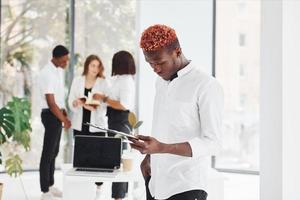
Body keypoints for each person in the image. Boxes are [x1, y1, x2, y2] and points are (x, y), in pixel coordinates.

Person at [129, 24, 224, 200]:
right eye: (150, 64)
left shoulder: (206, 85)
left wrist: (161, 148)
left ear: (177, 51)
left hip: (186, 185)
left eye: (160, 63)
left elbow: (214, 143)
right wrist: (150, 156)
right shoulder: (161, 82)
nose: (156, 69)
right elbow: (166, 127)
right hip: (155, 183)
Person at [94, 50, 136, 200]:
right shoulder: (120, 79)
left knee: (119, 159)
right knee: (116, 158)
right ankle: (118, 196)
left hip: (121, 121)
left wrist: (104, 99)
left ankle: (119, 197)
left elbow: (124, 105)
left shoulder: (126, 81)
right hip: (114, 120)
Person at [68, 54, 108, 200]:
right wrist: (77, 103)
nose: (95, 69)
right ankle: (82, 188)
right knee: (82, 156)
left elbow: (106, 103)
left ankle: (99, 189)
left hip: (97, 125)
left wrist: (96, 108)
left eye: (98, 66)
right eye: (92, 65)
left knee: (98, 157)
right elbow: (71, 100)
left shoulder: (103, 82)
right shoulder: (77, 80)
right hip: (80, 124)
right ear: (87, 66)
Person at [39, 45, 71, 200]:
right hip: (50, 115)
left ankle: (51, 185)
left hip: (57, 114)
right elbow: (51, 103)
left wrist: (64, 114)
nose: (66, 63)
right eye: (64, 60)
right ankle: (45, 191)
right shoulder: (47, 73)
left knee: (54, 152)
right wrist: (63, 119)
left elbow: (58, 99)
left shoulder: (57, 71)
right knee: (48, 153)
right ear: (56, 58)